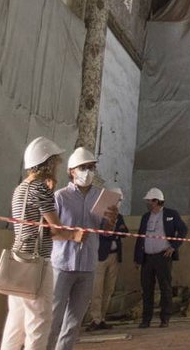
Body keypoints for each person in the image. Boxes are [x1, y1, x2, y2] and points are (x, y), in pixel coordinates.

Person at [0, 137, 84, 350]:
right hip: (36, 261)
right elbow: (55, 228)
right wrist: (74, 235)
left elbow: (38, 226)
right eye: (55, 162)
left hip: (18, 257)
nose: (57, 166)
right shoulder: (41, 189)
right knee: (39, 320)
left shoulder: (20, 188)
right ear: (46, 163)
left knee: (16, 324)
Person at [49, 147, 112, 350]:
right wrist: (72, 236)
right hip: (62, 264)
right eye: (83, 167)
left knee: (74, 322)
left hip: (87, 265)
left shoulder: (101, 197)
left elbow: (105, 232)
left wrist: (111, 222)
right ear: (71, 171)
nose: (88, 171)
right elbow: (49, 231)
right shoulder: (60, 197)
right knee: (53, 318)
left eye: (91, 167)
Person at [134, 187, 188, 329]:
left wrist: (173, 246)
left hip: (163, 256)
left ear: (157, 201)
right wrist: (137, 258)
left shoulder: (171, 214)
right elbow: (140, 237)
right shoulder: (146, 217)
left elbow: (183, 230)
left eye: (150, 201)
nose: (148, 204)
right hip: (147, 258)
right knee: (147, 288)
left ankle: (165, 318)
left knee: (165, 287)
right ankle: (146, 319)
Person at [85, 187, 127, 331]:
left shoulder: (119, 216)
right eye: (118, 199)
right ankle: (95, 319)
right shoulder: (99, 215)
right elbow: (100, 234)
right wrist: (114, 232)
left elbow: (124, 231)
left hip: (114, 256)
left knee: (109, 289)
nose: (119, 203)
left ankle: (102, 318)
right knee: (97, 290)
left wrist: (116, 232)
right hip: (100, 256)